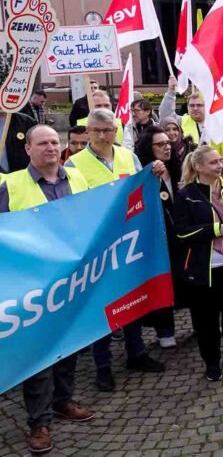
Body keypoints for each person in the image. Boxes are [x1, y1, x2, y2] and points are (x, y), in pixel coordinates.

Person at [0, 125, 94, 454]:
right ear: (28, 149)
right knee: (38, 355)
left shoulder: (77, 178)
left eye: (55, 142)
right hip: (33, 285)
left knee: (69, 345)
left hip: (71, 280)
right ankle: (38, 422)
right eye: (43, 143)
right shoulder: (10, 184)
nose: (51, 148)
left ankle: (63, 400)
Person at [65, 109, 165, 390]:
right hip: (98, 247)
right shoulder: (74, 164)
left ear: (115, 130)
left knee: (131, 300)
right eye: (95, 129)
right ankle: (103, 366)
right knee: (101, 306)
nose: (101, 135)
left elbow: (143, 189)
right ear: (87, 130)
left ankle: (136, 353)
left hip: (128, 241)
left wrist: (155, 172)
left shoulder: (127, 156)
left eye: (107, 129)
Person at [173, 145, 223, 380]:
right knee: (206, 322)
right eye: (214, 162)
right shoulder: (186, 194)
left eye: (220, 161)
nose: (220, 165)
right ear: (198, 167)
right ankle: (212, 362)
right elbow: (180, 232)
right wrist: (217, 229)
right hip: (202, 269)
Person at [135, 127, 183, 348]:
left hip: (181, 237)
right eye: (160, 144)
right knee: (162, 283)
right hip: (156, 240)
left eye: (168, 143)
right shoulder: (144, 174)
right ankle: (165, 331)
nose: (167, 147)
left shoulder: (178, 168)